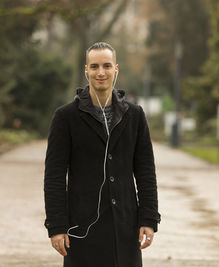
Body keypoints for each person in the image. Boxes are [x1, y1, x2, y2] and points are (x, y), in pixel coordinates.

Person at [44, 42, 161, 267]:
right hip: (81, 229)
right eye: (94, 66)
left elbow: (146, 171)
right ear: (86, 70)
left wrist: (149, 218)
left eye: (106, 66)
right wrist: (57, 226)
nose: (100, 72)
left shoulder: (135, 116)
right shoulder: (65, 117)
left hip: (125, 227)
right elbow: (54, 177)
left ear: (115, 69)